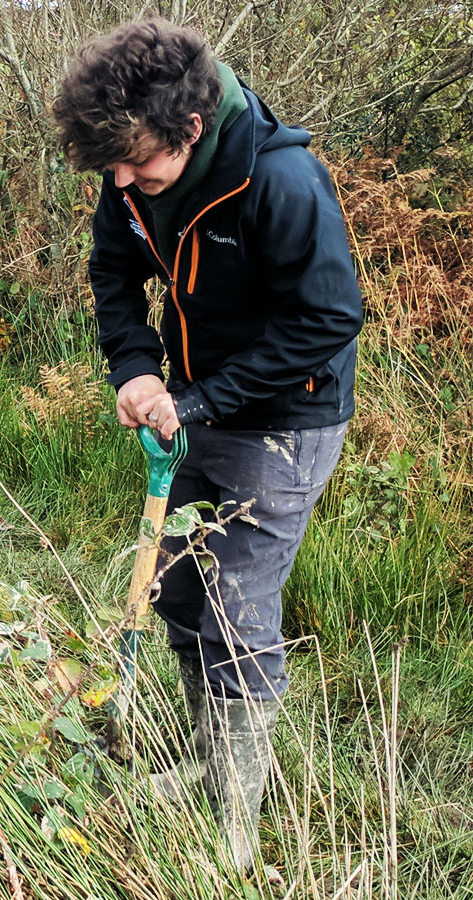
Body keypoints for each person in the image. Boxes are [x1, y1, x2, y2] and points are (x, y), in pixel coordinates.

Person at [53, 20, 362, 873]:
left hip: (285, 420)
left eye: (138, 165)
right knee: (182, 590)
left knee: (236, 608)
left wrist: (201, 399)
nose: (124, 182)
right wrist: (135, 370)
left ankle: (230, 828)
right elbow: (114, 274)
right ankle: (205, 767)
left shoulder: (284, 182)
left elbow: (331, 318)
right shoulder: (130, 171)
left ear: (191, 129)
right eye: (111, 168)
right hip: (194, 404)